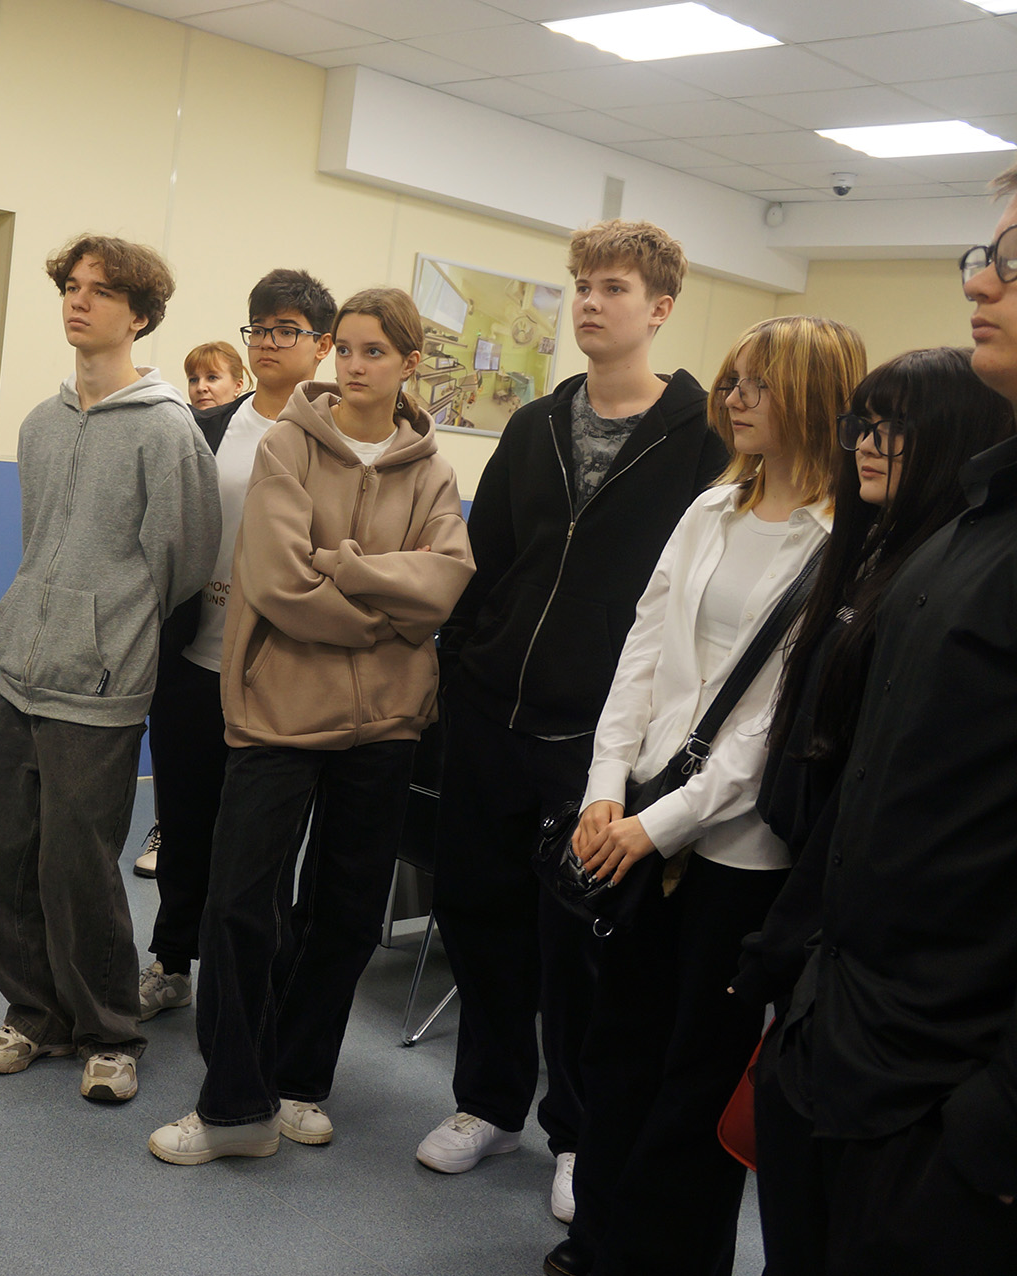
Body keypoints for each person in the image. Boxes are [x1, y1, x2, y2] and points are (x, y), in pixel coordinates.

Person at [420, 220, 729, 1226]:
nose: (591, 302)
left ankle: (578, 1134)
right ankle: (488, 1103)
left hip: (600, 744)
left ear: (660, 307)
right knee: (478, 915)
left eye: (614, 287)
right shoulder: (534, 424)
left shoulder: (704, 440)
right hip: (491, 715)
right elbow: (487, 563)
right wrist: (462, 667)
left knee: (580, 951)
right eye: (583, 285)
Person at [547, 315, 864, 1276]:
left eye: (758, 384)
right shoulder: (711, 509)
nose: (735, 399)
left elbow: (778, 725)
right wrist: (606, 789)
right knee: (617, 1052)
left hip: (737, 854)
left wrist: (658, 824)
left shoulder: (847, 541)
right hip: (638, 816)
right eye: (733, 381)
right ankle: (597, 1242)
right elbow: (641, 653)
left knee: (695, 1082)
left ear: (814, 398)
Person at [754, 166, 1017, 1275]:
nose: (980, 282)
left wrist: (993, 1128)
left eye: (1013, 262)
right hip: (843, 1038)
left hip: (945, 1100)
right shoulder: (971, 526)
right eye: (985, 254)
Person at [148, 287, 474, 1164]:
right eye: (349, 349)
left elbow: (445, 582)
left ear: (410, 364)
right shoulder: (288, 444)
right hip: (278, 711)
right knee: (238, 904)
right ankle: (233, 1107)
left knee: (347, 912)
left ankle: (299, 1082)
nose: (355, 366)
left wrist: (343, 565)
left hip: (386, 722)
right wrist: (385, 603)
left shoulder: (434, 472)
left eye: (376, 352)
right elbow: (281, 582)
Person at [0, 234, 220, 1104]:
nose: (78, 301)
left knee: (78, 868)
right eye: (71, 287)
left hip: (101, 687)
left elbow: (183, 565)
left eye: (101, 291)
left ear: (140, 315)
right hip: (24, 674)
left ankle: (110, 1033)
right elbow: (40, 542)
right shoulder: (41, 424)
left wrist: (112, 637)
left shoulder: (167, 431)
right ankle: (35, 1016)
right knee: (0, 860)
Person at [139, 270, 336, 1017]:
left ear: (321, 345)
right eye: (260, 329)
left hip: (278, 672)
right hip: (195, 661)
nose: (269, 343)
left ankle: (251, 984)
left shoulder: (330, 438)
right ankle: (170, 962)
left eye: (287, 330)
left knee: (259, 847)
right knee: (184, 824)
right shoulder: (209, 429)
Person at [133, 339, 256, 883]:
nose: (202, 389)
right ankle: (166, 828)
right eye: (195, 379)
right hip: (189, 632)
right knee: (179, 757)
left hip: (248, 644)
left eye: (213, 378)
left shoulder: (265, 441)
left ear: (239, 383)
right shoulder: (185, 435)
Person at [183, 339, 251, 413]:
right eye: (193, 380)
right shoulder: (180, 418)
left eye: (212, 378)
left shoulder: (251, 419)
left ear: (238, 386)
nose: (200, 388)